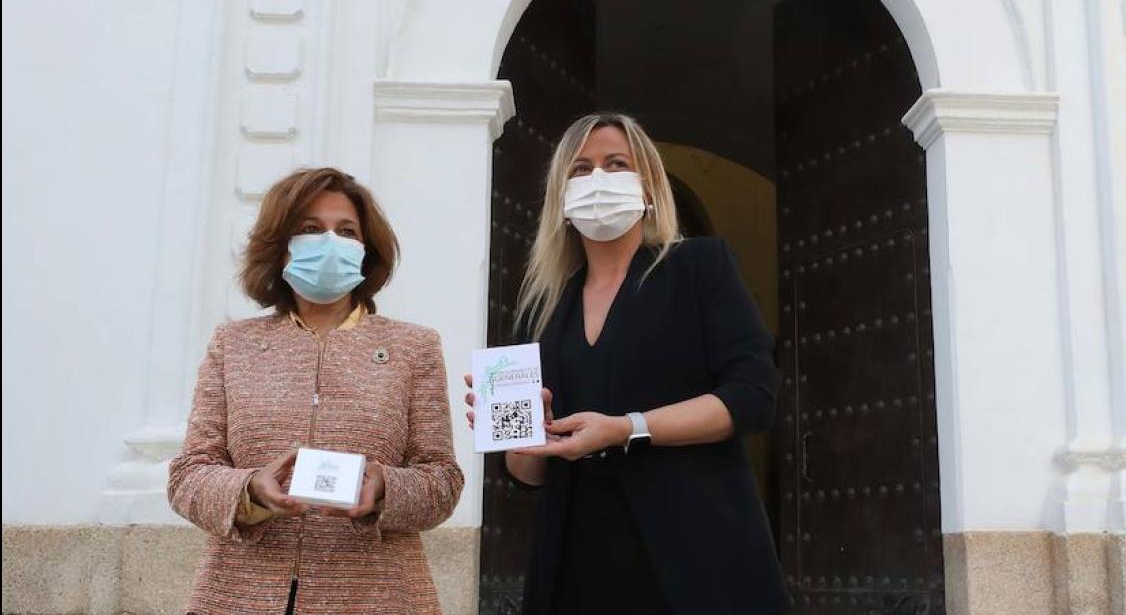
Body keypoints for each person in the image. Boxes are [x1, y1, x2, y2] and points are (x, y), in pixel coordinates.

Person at [465, 113, 788, 615]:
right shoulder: (540, 307)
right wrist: (523, 438)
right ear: (561, 199)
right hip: (576, 559)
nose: (598, 180)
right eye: (580, 169)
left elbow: (752, 397)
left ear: (649, 187)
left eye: (616, 164)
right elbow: (526, 474)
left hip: (697, 552)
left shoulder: (699, 269)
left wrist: (625, 429)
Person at [169, 167, 463, 615]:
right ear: (281, 247)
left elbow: (442, 480)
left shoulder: (414, 347)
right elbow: (188, 474)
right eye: (310, 229)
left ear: (366, 252)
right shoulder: (233, 345)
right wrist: (249, 491)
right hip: (240, 594)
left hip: (377, 596)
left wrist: (384, 488)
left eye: (346, 231)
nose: (329, 242)